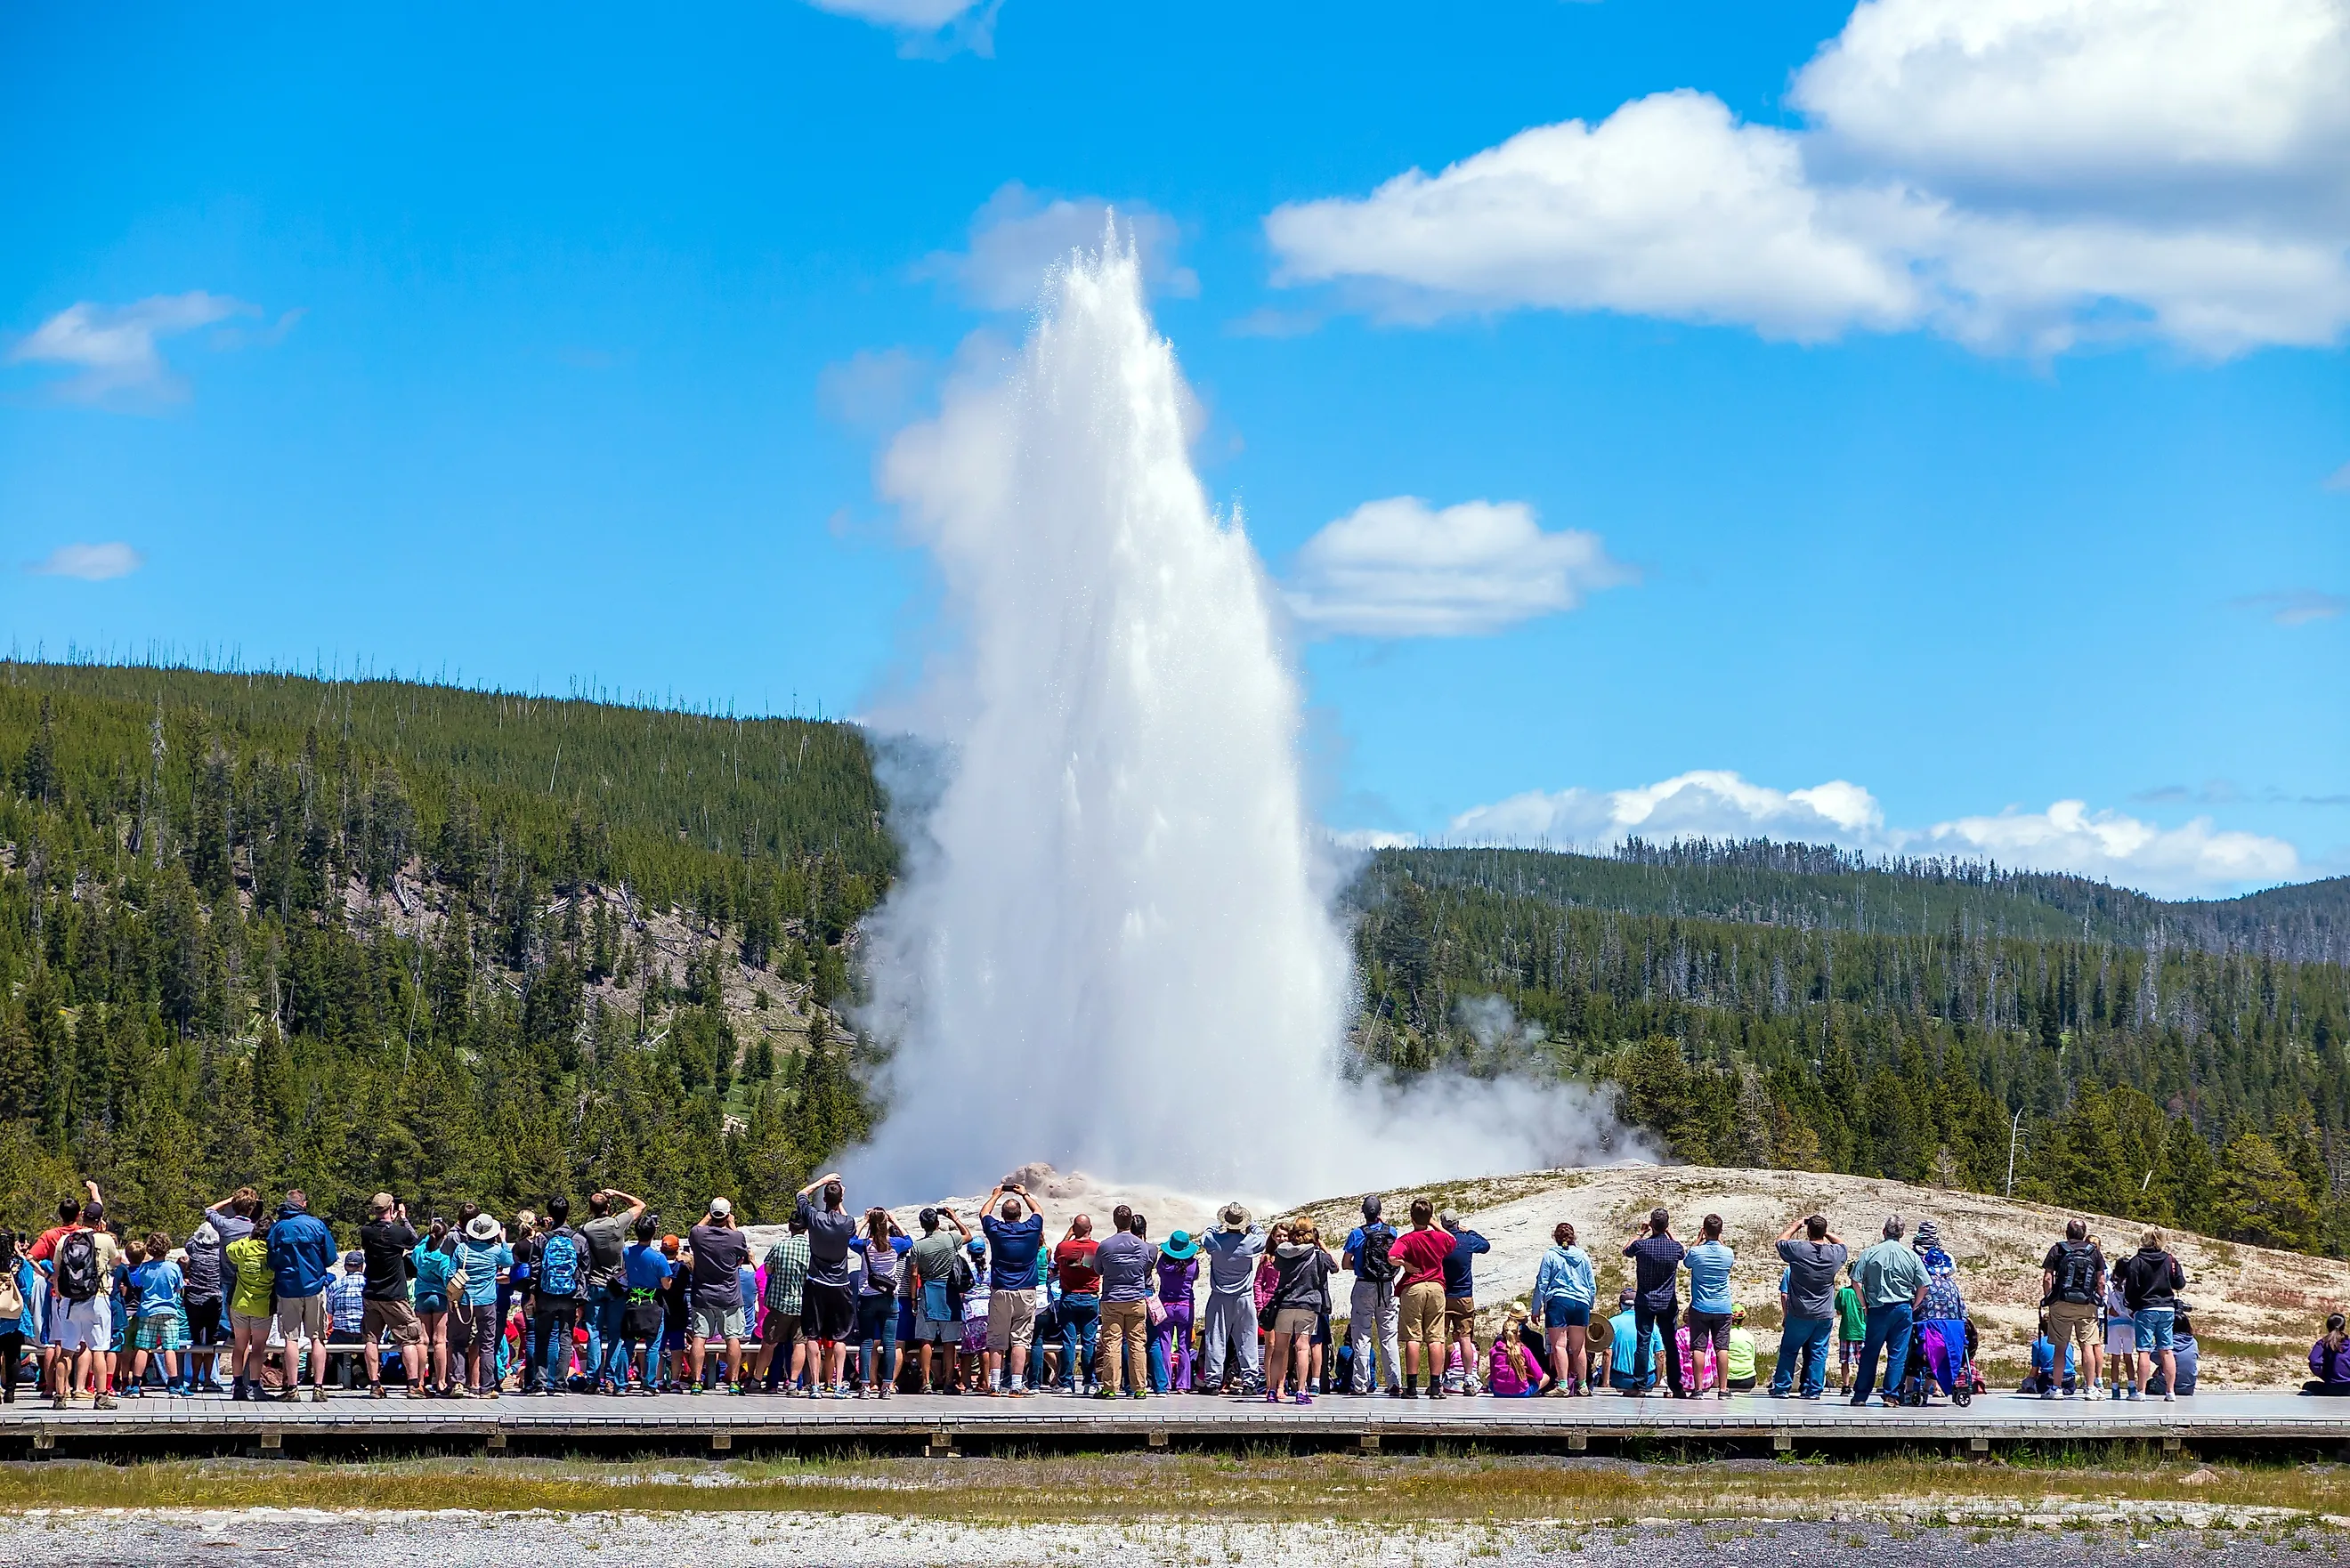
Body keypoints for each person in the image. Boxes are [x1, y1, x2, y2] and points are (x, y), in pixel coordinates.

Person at [33, 1181, 121, 1409]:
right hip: (97, 1299)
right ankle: (101, 1396)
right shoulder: (106, 1240)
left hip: (70, 1302)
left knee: (67, 1350)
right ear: (100, 1221)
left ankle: (60, 1396)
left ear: (82, 1217)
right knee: (99, 1349)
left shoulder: (65, 1240)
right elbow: (116, 1262)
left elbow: (58, 1268)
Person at [264, 1190, 336, 1402]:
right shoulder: (317, 1225)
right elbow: (330, 1257)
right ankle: (318, 1388)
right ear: (304, 1204)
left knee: (291, 1339)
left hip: (288, 1289)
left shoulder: (278, 1228)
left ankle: (292, 1389)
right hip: (314, 1287)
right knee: (318, 1338)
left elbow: (271, 1260)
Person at [978, 1179, 1047, 1397]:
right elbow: (1039, 1212)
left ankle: (995, 1385)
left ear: (1003, 1215)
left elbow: (983, 1214)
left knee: (997, 1339)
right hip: (1026, 1291)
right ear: (1019, 1214)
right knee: (1020, 1339)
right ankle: (1016, 1385)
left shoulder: (996, 1230)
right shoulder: (1032, 1229)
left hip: (1001, 1290)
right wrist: (1026, 1194)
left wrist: (996, 1194)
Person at [1850, 1216, 1926, 1408]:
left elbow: (1855, 1281)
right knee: (1897, 1354)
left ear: (1884, 1232)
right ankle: (1891, 1395)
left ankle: (1860, 1395)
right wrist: (1915, 1305)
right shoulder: (1911, 1256)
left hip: (1877, 1309)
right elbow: (1924, 1285)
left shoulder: (1870, 1253)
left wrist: (1863, 1303)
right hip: (1902, 1308)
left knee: (1870, 1353)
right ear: (1902, 1234)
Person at [1769, 1213, 1846, 1401]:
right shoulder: (1834, 1254)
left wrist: (1796, 1225)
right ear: (1823, 1231)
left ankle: (1782, 1388)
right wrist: (1825, 1232)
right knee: (1819, 1352)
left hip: (1800, 1310)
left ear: (1808, 1231)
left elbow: (1780, 1241)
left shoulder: (1799, 1249)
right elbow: (1843, 1244)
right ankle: (1813, 1390)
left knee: (1789, 1350)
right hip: (1824, 1312)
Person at [575, 1187, 644, 1394]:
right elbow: (640, 1205)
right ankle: (612, 1379)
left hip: (594, 1284)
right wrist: (617, 1193)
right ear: (608, 1207)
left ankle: (593, 1379)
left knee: (594, 1333)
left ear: (590, 1209)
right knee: (616, 1334)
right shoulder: (617, 1224)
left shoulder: (585, 1229)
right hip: (616, 1285)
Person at [794, 1173, 858, 1397]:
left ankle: (814, 1385)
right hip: (840, 1283)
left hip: (816, 1282)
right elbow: (852, 1227)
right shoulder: (847, 1222)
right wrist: (840, 1202)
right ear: (840, 1200)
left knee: (813, 1335)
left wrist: (822, 1182)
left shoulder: (814, 1218)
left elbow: (801, 1194)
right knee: (839, 1336)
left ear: (823, 1199)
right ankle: (839, 1384)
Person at [1262, 1218, 1336, 1405]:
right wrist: (1322, 1245)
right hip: (1308, 1306)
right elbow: (1335, 1266)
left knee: (1279, 1349)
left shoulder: (1284, 1253)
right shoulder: (1318, 1255)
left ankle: (1271, 1390)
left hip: (1285, 1305)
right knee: (1303, 1348)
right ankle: (1301, 1391)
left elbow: (1277, 1267)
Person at [357, 1193, 424, 1399]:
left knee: (372, 1339)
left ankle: (375, 1385)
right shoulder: (398, 1233)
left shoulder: (366, 1232)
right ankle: (413, 1385)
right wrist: (402, 1217)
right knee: (409, 1339)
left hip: (372, 1293)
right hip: (394, 1294)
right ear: (391, 1208)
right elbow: (414, 1241)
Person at [1389, 1197, 1456, 1399]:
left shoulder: (1407, 1240)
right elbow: (1452, 1240)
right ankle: (1436, 1387)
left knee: (1413, 1336)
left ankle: (1411, 1387)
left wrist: (1405, 1265)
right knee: (1436, 1337)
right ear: (1430, 1217)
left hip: (1414, 1287)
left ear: (1411, 1218)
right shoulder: (1440, 1238)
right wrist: (1434, 1223)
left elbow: (1391, 1258)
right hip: (1436, 1287)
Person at [686, 1196, 750, 1395]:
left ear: (711, 1214)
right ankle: (733, 1382)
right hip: (729, 1296)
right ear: (728, 1215)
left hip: (703, 1294)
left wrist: (708, 1217)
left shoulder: (698, 1235)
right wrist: (732, 1224)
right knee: (732, 1338)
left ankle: (696, 1381)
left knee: (699, 1337)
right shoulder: (736, 1236)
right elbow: (743, 1252)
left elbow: (696, 1228)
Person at [1199, 1204, 1267, 1394]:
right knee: (1247, 1338)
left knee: (1216, 1338)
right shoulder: (1249, 1242)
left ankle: (1213, 1381)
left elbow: (1206, 1235)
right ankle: (1249, 1381)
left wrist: (1215, 1226)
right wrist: (1251, 1224)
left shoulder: (1215, 1241)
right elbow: (1262, 1235)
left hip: (1220, 1296)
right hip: (1244, 1297)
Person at [1621, 1208, 1686, 1399]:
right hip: (1667, 1301)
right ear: (1666, 1225)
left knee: (1644, 1341)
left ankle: (1640, 1384)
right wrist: (1670, 1233)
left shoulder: (1642, 1246)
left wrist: (1640, 1233)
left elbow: (1626, 1250)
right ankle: (1676, 1385)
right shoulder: (1674, 1248)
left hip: (1645, 1300)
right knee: (1670, 1344)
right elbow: (1681, 1251)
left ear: (1651, 1224)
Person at [2040, 1218, 2107, 1400]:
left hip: (2061, 1302)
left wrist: (2049, 1299)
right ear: (2084, 1233)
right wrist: (2099, 1298)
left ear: (2066, 1232)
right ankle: (2091, 1388)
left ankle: (2056, 1388)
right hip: (2087, 1304)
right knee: (2087, 1346)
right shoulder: (2093, 1252)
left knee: (2061, 1347)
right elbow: (2101, 1281)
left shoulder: (2058, 1249)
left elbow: (2047, 1278)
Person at [2117, 1226, 2185, 1405]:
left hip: (2146, 1308)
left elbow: (2130, 1290)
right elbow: (2180, 1283)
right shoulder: (2170, 1259)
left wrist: (2132, 1306)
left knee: (2144, 1351)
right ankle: (2170, 1391)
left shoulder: (2137, 1261)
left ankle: (2141, 1391)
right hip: (2167, 1308)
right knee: (2167, 1350)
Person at [907, 1207, 971, 1394]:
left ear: (921, 1224)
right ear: (938, 1223)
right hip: (949, 1292)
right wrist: (954, 1217)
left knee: (926, 1340)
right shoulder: (950, 1239)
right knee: (949, 1341)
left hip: (928, 1290)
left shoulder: (918, 1246)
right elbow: (968, 1235)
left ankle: (926, 1381)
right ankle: (949, 1381)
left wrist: (913, 1298)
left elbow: (914, 1274)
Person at [450, 1209, 514, 1398]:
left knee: (459, 1342)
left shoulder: (462, 1249)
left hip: (464, 1301)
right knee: (487, 1344)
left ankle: (458, 1383)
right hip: (487, 1301)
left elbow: (450, 1273)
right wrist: (503, 1240)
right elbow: (509, 1261)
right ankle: (487, 1387)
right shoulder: (495, 1251)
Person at [1095, 1206, 1156, 1399]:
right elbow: (1147, 1267)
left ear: (1114, 1222)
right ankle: (1139, 1388)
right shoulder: (1143, 1246)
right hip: (1136, 1298)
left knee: (1112, 1343)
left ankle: (1110, 1388)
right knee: (1137, 1343)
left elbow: (1098, 1269)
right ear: (1131, 1222)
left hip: (1112, 1299)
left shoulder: (1105, 1245)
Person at [1342, 1197, 1400, 1397]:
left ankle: (1360, 1385)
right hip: (1386, 1286)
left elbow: (1345, 1264)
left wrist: (1360, 1265)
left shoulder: (1357, 1234)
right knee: (1389, 1336)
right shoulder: (1391, 1232)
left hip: (1364, 1285)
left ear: (1364, 1213)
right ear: (1380, 1212)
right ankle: (1394, 1383)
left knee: (1362, 1336)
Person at [1531, 1220, 1595, 1398]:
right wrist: (1590, 1304)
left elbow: (1542, 1282)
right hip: (1581, 1302)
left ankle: (1562, 1383)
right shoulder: (1583, 1255)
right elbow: (1591, 1284)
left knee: (1559, 1345)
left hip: (1559, 1301)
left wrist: (1536, 1307)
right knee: (1579, 1346)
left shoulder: (1550, 1255)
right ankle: (1582, 1384)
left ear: (1555, 1238)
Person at [849, 1206, 907, 1397]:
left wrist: (864, 1221)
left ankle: (865, 1386)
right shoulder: (896, 1244)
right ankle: (887, 1387)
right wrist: (894, 1220)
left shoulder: (865, 1245)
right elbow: (910, 1240)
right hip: (889, 1298)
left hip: (867, 1297)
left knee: (866, 1342)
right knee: (889, 1343)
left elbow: (851, 1240)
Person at [753, 1214, 812, 1394]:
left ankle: (756, 1380)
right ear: (807, 1229)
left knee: (769, 1343)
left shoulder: (780, 1246)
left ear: (789, 1227)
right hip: (803, 1305)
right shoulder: (812, 1250)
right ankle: (793, 1383)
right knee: (799, 1344)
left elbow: (768, 1269)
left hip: (780, 1304)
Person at [125, 1230, 188, 1396]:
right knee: (170, 1348)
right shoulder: (173, 1268)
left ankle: (135, 1385)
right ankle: (173, 1384)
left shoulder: (144, 1268)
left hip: (147, 1310)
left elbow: (141, 1285)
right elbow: (179, 1288)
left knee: (143, 1347)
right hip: (169, 1311)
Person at [1910, 1221, 1965, 1404]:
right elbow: (1961, 1309)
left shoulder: (1915, 1258)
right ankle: (1932, 1386)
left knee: (1918, 1346)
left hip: (1926, 1323)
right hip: (1951, 1326)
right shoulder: (1948, 1274)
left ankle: (1910, 1387)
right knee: (1939, 1345)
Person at [1682, 1214, 1735, 1400]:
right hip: (1722, 1306)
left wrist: (1698, 1240)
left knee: (1699, 1347)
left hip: (1701, 1305)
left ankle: (1697, 1389)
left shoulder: (1696, 1253)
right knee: (1722, 1347)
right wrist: (1719, 1240)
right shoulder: (1728, 1253)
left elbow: (1687, 1262)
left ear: (1704, 1230)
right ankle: (1723, 1389)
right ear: (1720, 1231)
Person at [1051, 1214, 1102, 1395]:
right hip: (1090, 1298)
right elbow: (1096, 1267)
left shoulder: (1064, 1247)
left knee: (1069, 1341)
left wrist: (1069, 1235)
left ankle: (1065, 1382)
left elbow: (1056, 1258)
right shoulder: (1097, 1248)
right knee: (1089, 1342)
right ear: (1091, 1228)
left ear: (1073, 1228)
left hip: (1069, 1298)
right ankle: (1089, 1382)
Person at [1439, 1210, 1490, 1390]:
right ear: (1457, 1222)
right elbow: (1485, 1246)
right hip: (1464, 1295)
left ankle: (1436, 1378)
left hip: (1443, 1295)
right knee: (1465, 1338)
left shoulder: (1440, 1240)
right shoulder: (1467, 1240)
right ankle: (1469, 1377)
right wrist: (1469, 1231)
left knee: (1439, 1338)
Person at [181, 1216, 226, 1394]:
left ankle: (193, 1381)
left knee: (197, 1341)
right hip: (214, 1300)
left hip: (194, 1299)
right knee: (211, 1342)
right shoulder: (221, 1251)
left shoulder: (193, 1248)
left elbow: (190, 1240)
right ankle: (208, 1380)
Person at [411, 1218, 457, 1396]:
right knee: (439, 1341)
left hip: (422, 1295)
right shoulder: (443, 1257)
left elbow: (420, 1244)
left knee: (422, 1341)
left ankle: (420, 1381)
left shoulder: (419, 1253)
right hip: (439, 1297)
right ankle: (441, 1381)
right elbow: (447, 1280)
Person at [1155, 1229, 1199, 1394]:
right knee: (1184, 1346)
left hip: (1165, 1305)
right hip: (1185, 1307)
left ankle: (1164, 1383)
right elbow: (1194, 1278)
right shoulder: (1193, 1265)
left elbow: (1159, 1272)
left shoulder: (1163, 1264)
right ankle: (1183, 1384)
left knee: (1164, 1345)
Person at [1605, 1288, 1662, 1391]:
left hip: (1621, 1380)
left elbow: (1607, 1353)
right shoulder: (1651, 1325)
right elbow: (1660, 1355)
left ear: (1620, 1305)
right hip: (1648, 1380)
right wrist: (1657, 1383)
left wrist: (1606, 1383)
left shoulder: (1612, 1323)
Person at [326, 1250, 368, 1385]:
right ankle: (359, 1370)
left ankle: (343, 1373)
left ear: (345, 1267)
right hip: (363, 1333)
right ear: (362, 1266)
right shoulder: (369, 1284)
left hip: (342, 1334)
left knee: (332, 1342)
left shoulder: (335, 1285)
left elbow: (330, 1311)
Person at [1, 1232, 34, 1402]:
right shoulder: (20, 1264)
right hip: (14, 1315)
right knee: (13, 1355)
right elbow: (27, 1290)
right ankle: (10, 1391)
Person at [1487, 1306, 1544, 1396]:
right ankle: (1534, 1392)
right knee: (1544, 1377)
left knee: (1490, 1378)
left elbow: (1493, 1376)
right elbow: (1539, 1375)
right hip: (1521, 1391)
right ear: (1518, 1332)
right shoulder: (1526, 1347)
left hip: (1499, 1392)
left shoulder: (1494, 1350)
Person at [2103, 1275, 2137, 1400]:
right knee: (2128, 1358)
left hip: (2113, 1324)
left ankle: (2115, 1389)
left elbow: (2105, 1304)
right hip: (2129, 1323)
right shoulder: (2131, 1284)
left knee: (2115, 1359)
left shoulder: (2110, 1285)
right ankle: (2132, 1387)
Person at [2151, 1309, 2199, 1397]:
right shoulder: (2193, 1342)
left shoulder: (2167, 1342)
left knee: (2149, 1384)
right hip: (2188, 1387)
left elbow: (2154, 1356)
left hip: (2165, 1386)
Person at [1833, 1265, 1864, 1394]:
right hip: (1863, 1331)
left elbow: (1839, 1311)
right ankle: (1861, 1385)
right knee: (1863, 1362)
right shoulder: (1867, 1293)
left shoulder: (1844, 1293)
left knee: (1845, 1361)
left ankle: (1846, 1385)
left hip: (1847, 1331)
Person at [2305, 1314, 2350, 1395]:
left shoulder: (2322, 1343)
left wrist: (2325, 1376)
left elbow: (2313, 1361)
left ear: (2328, 1326)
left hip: (2330, 1387)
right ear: (2343, 1327)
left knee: (2307, 1385)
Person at [1722, 1305, 1757, 1392]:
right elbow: (1753, 1357)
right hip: (1749, 1379)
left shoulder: (1723, 1335)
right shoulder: (1749, 1336)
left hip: (1729, 1379)